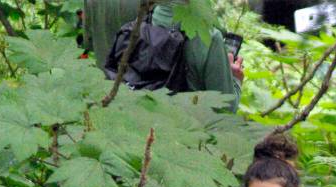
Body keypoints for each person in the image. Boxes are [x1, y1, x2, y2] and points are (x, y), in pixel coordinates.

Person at [82, 0, 244, 111]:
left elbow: (87, 43)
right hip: (187, 141)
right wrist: (235, 79)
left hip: (128, 114)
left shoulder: (142, 22)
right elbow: (225, 109)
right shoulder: (209, 38)